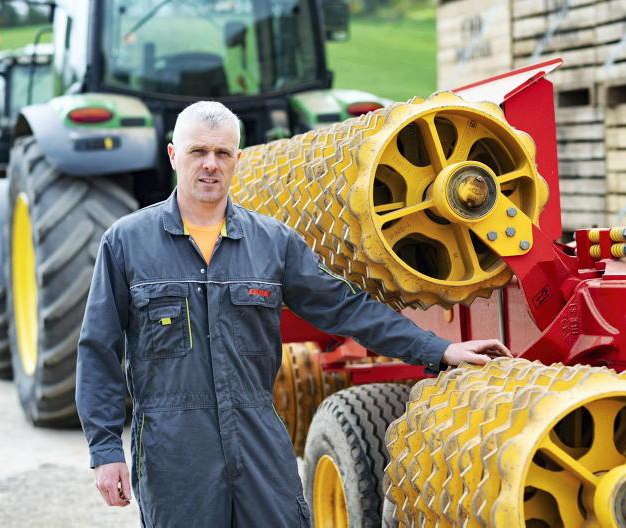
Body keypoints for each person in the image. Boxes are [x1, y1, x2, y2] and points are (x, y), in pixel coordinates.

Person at [75, 101, 511, 527]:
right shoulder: (127, 243)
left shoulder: (272, 243)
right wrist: (106, 450)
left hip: (256, 436)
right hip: (175, 448)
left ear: (237, 159)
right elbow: (99, 349)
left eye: (222, 153)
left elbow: (346, 308)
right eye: (198, 152)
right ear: (174, 155)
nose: (210, 164)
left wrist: (439, 348)